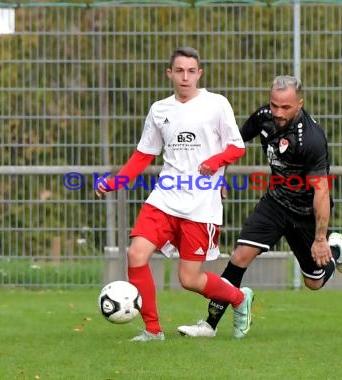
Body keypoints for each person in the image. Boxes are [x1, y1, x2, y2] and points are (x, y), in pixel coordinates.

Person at [96, 46, 254, 342]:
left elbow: (237, 146)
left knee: (189, 279)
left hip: (201, 204)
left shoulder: (216, 104)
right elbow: (144, 154)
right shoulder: (160, 110)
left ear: (199, 74)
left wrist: (214, 162)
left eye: (191, 71)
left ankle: (238, 298)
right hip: (165, 198)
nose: (185, 77)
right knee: (136, 254)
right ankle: (153, 330)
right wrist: (115, 182)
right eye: (179, 71)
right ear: (170, 73)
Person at [177, 75, 342, 339]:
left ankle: (335, 248)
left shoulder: (312, 139)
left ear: (300, 104)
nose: (278, 113)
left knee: (314, 282)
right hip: (275, 203)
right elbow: (233, 145)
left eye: (286, 107)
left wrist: (319, 239)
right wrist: (221, 174)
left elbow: (321, 191)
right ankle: (209, 325)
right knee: (238, 258)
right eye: (274, 105)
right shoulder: (263, 117)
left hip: (306, 212)